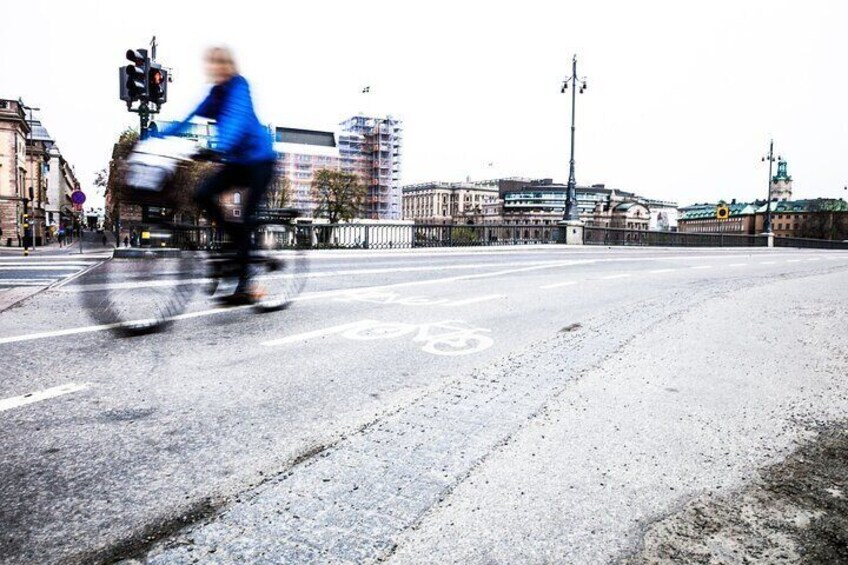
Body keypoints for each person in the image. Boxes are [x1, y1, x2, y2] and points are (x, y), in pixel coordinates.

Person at [161, 46, 276, 303]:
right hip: (236, 161)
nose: (215, 69)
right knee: (201, 194)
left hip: (259, 161)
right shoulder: (215, 94)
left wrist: (219, 147)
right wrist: (155, 139)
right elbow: (187, 120)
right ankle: (235, 247)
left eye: (220, 63)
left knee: (246, 215)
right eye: (211, 64)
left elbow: (237, 118)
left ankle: (246, 284)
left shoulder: (239, 87)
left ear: (228, 65)